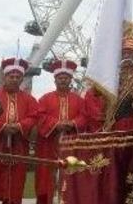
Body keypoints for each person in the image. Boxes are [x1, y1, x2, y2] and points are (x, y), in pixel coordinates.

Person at [0, 58, 39, 204]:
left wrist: (19, 126)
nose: (14, 79)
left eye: (18, 77)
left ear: (21, 78)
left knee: (16, 184)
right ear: (4, 77)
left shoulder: (30, 100)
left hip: (19, 147)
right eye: (11, 76)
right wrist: (2, 127)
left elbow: (34, 117)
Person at [84, 22, 133, 131]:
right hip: (113, 122)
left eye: (130, 53)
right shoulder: (112, 74)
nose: (127, 56)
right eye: (124, 53)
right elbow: (95, 92)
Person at [35, 59, 87, 204]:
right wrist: (56, 124)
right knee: (45, 181)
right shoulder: (44, 99)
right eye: (60, 77)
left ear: (70, 79)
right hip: (48, 146)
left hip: (72, 147)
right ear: (55, 79)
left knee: (71, 180)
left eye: (66, 78)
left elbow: (84, 117)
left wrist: (72, 123)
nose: (63, 80)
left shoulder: (79, 100)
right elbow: (40, 116)